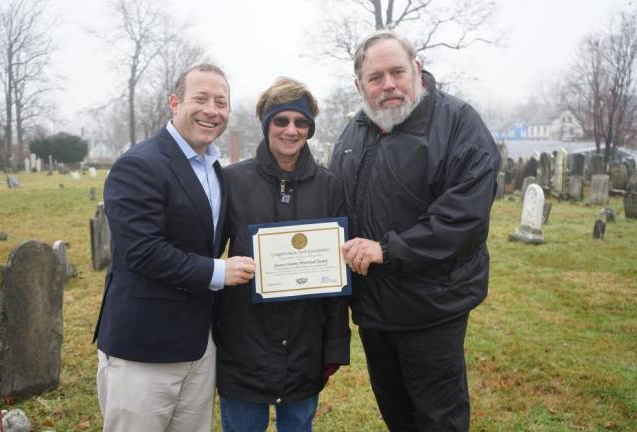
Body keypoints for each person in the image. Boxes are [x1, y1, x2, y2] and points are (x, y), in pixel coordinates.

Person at [329, 30, 501, 431]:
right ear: (359, 86)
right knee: (397, 415)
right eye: (375, 77)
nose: (388, 84)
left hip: (432, 310)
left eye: (397, 72)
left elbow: (464, 219)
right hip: (374, 312)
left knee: (439, 419)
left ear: (417, 71)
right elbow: (333, 204)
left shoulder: (458, 123)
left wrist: (387, 250)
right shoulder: (354, 133)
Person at [93, 63, 256, 432]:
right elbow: (142, 252)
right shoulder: (140, 164)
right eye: (201, 99)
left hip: (199, 347)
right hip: (143, 351)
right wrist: (220, 271)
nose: (212, 110)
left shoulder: (214, 170)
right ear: (174, 103)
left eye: (221, 102)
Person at [214, 77, 350, 432]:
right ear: (266, 124)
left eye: (301, 122)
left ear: (310, 128)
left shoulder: (329, 186)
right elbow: (209, 260)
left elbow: (338, 276)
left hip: (305, 344)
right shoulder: (231, 181)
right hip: (243, 342)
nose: (291, 130)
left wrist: (335, 345)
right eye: (281, 120)